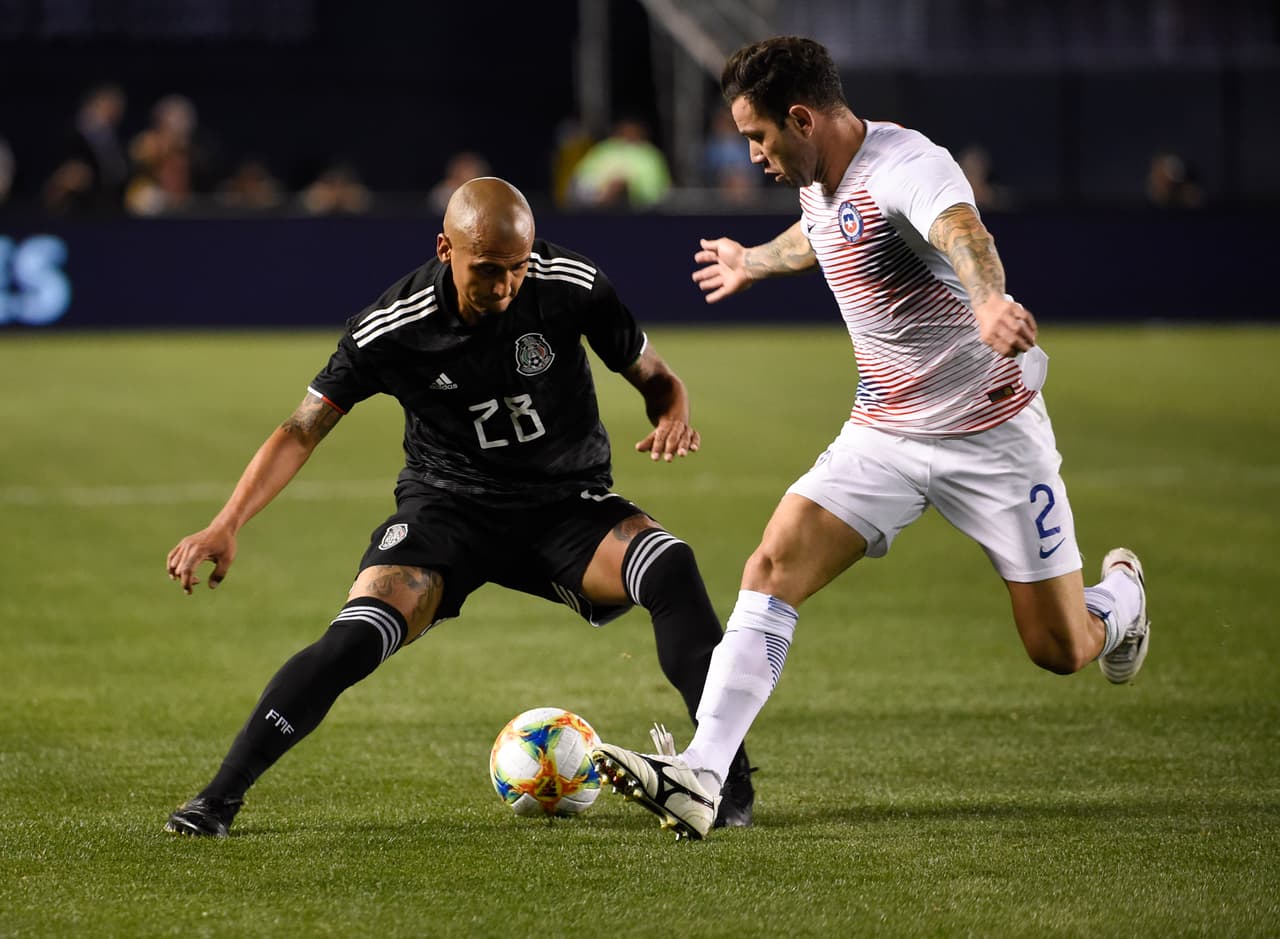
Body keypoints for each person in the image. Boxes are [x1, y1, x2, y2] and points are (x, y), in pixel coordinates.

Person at [592, 37, 1151, 840]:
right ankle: (701, 774)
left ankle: (1123, 596)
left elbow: (965, 234)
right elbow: (819, 236)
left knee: (1060, 647)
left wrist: (988, 303)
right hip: (883, 432)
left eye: (758, 137)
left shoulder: (909, 166)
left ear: (802, 116)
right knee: (773, 561)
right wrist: (753, 260)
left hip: (989, 433)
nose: (752, 155)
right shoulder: (819, 177)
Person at [163, 177, 755, 837]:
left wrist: (673, 413)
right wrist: (227, 522)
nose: (505, 285)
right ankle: (217, 798)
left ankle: (723, 784)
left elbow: (656, 377)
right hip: (447, 511)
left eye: (517, 268)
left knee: (670, 565)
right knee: (356, 633)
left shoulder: (571, 284)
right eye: (488, 270)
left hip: (565, 504)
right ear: (445, 248)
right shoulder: (393, 325)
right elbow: (302, 428)